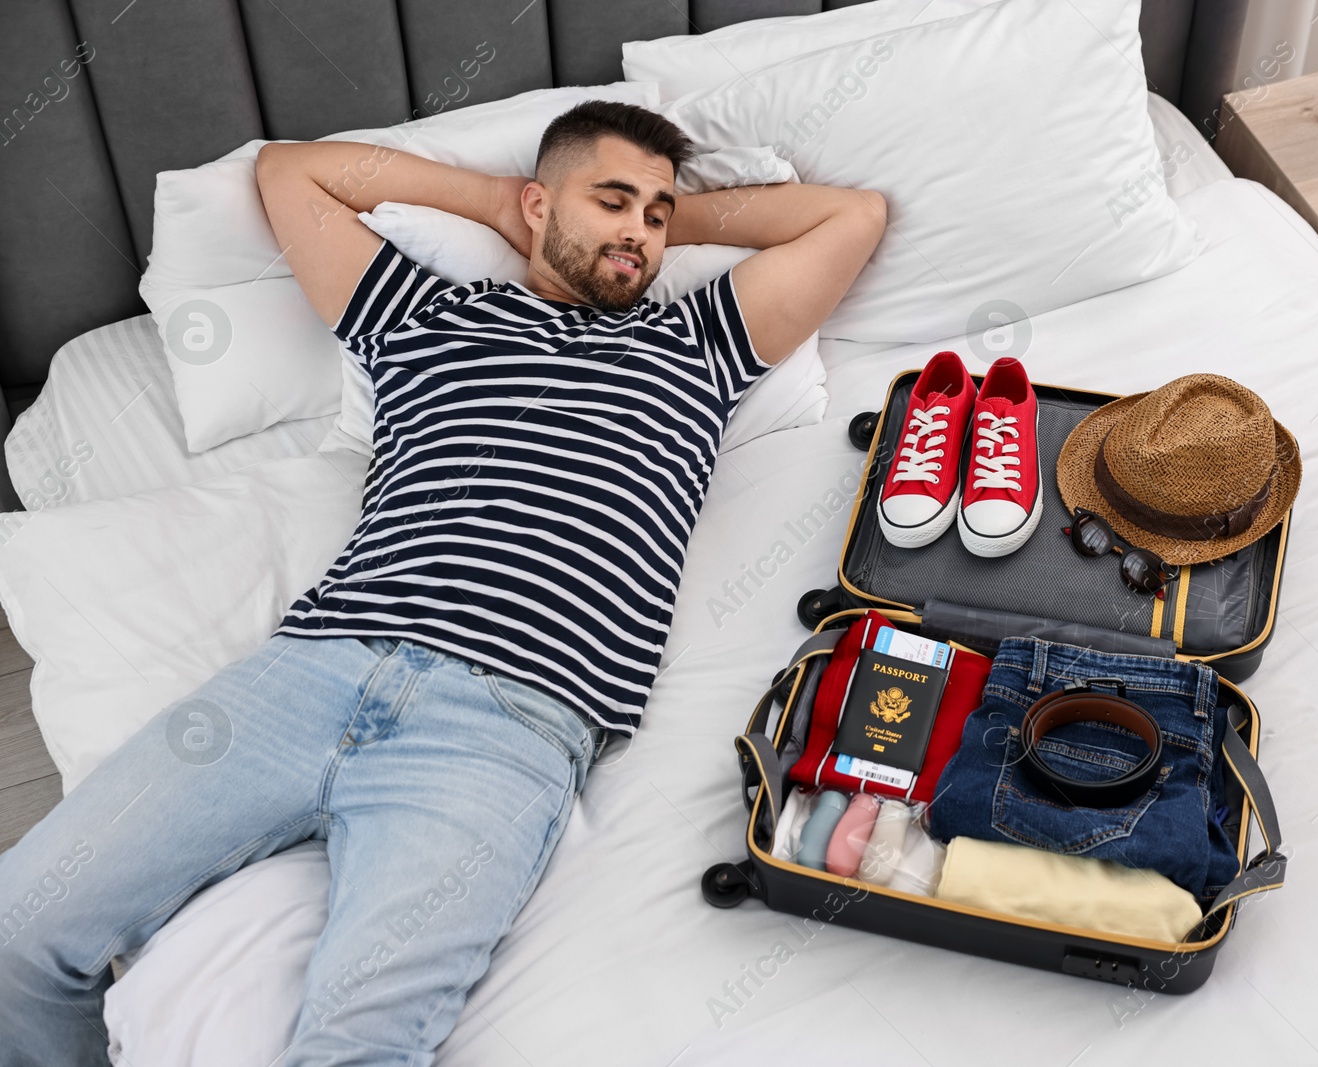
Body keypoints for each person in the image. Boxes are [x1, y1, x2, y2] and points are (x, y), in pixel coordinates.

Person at [0, 100, 886, 1066]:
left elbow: (851, 217)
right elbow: (291, 174)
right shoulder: (422, 314)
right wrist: (499, 205)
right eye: (614, 199)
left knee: (358, 1044)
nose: (640, 229)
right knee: (19, 933)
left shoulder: (697, 346)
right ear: (542, 201)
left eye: (657, 214)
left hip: (507, 727)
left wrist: (662, 221)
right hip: (313, 669)